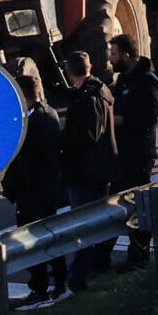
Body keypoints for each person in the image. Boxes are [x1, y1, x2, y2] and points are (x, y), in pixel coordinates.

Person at [5, 73, 66, 307]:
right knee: (51, 236)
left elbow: (24, 159)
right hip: (47, 188)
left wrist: (12, 185)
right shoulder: (50, 113)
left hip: (33, 191)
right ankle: (60, 281)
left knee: (31, 241)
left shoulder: (32, 122)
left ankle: (40, 288)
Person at [57, 51, 115, 292]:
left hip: (85, 171)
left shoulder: (88, 97)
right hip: (96, 169)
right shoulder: (99, 91)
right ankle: (97, 267)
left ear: (70, 72)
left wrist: (62, 140)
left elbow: (89, 135)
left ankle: (79, 275)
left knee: (83, 226)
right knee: (96, 223)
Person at [109, 34, 158, 265]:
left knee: (139, 207)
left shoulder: (147, 81)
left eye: (114, 54)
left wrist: (118, 121)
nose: (111, 59)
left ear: (126, 55)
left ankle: (141, 256)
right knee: (121, 204)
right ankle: (130, 254)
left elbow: (149, 117)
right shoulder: (124, 80)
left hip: (140, 154)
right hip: (123, 154)